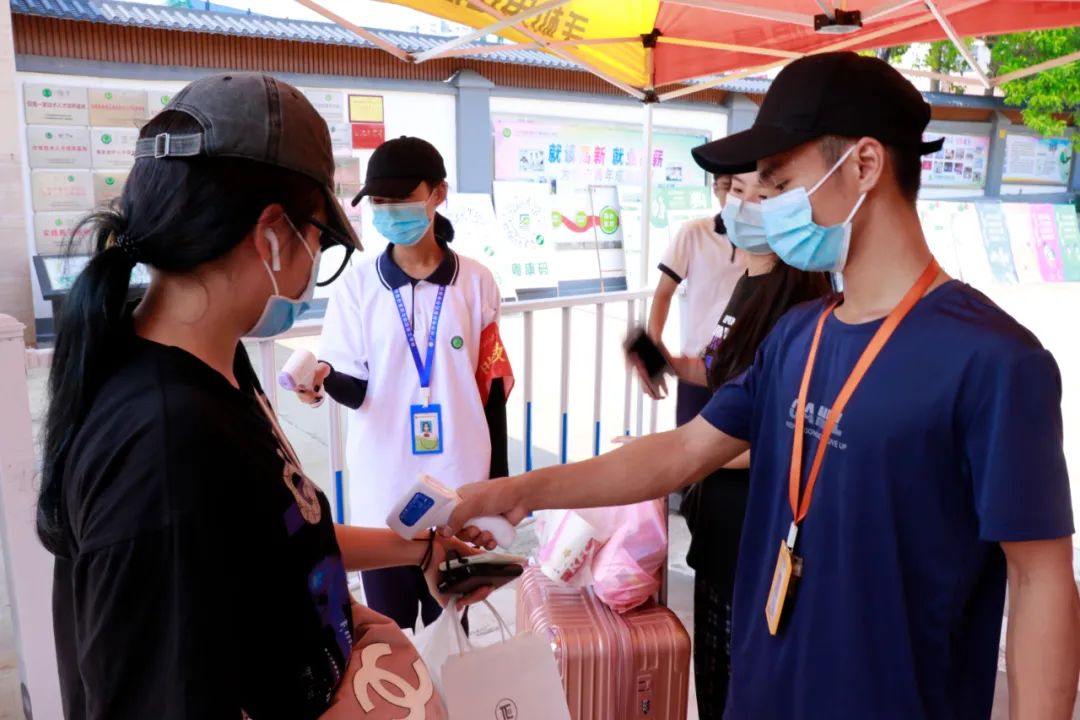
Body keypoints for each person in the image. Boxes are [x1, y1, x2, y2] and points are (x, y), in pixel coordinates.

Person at [448, 53, 1080, 718]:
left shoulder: (993, 360)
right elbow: (683, 452)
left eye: (779, 184)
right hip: (764, 688)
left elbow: (1039, 577)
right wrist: (518, 491)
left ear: (864, 164)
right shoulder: (797, 335)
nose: (763, 207)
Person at [38, 74, 488, 720]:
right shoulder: (163, 444)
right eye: (321, 239)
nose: (316, 263)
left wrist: (416, 549)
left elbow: (278, 531)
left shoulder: (218, 366)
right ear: (274, 234)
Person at [295, 136, 513, 632]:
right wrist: (325, 378)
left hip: (460, 483)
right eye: (379, 200)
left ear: (438, 194)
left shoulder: (476, 282)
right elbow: (355, 387)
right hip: (384, 489)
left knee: (451, 629)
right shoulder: (357, 285)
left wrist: (498, 494)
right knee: (386, 631)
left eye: (401, 198)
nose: (390, 210)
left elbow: (492, 389)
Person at [652, 171, 831, 717]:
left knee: (739, 684)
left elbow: (787, 438)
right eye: (737, 191)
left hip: (754, 533)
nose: (745, 205)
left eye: (764, 194)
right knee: (712, 679)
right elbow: (719, 372)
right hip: (719, 525)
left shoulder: (798, 308)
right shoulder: (747, 286)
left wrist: (685, 455)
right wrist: (665, 360)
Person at [648, 172, 745, 424]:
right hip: (697, 367)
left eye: (741, 188)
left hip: (745, 371)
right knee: (688, 440)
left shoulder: (765, 242)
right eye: (728, 187)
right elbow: (663, 293)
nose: (734, 197)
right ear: (715, 189)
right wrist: (652, 348)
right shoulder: (694, 233)